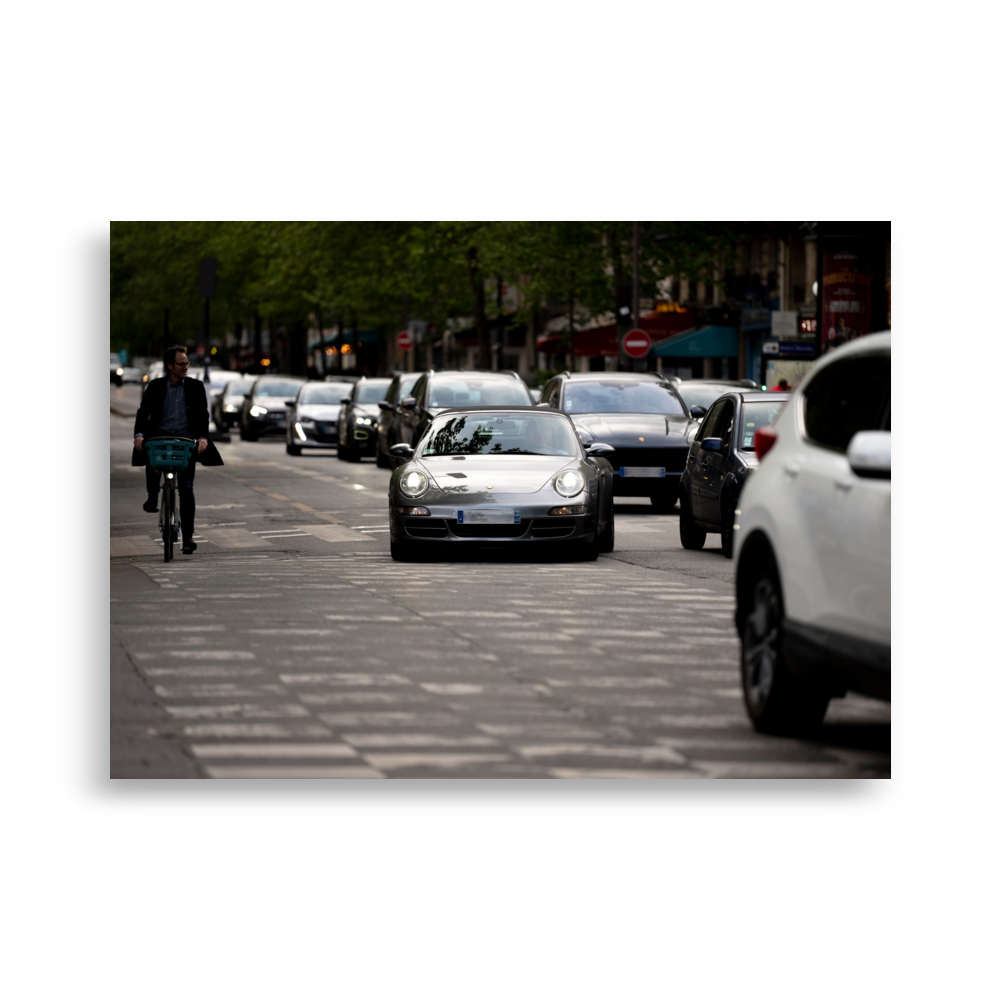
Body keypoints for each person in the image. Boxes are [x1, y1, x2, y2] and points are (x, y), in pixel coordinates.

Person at [132, 346, 224, 554]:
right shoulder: (155, 386)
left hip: (185, 442)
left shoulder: (196, 386)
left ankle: (188, 536)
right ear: (170, 366)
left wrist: (202, 437)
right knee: (150, 455)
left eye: (187, 364)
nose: (185, 368)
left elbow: (202, 414)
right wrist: (139, 434)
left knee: (187, 489)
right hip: (159, 438)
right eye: (181, 364)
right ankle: (152, 496)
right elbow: (143, 412)